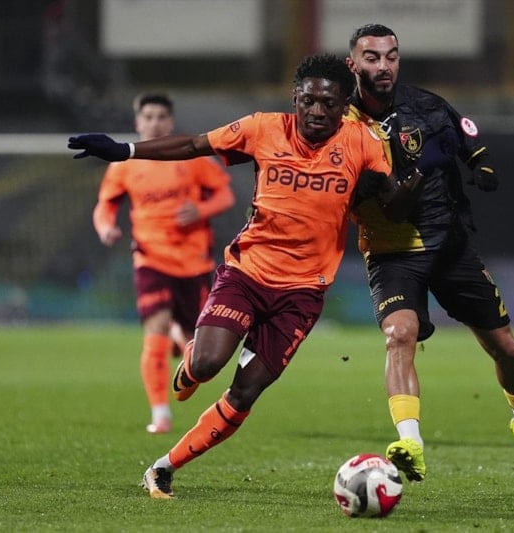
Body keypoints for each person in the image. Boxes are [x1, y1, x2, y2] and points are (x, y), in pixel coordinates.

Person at [69, 53, 455, 499]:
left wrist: (417, 179)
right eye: (308, 101)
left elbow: (393, 208)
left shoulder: (363, 143)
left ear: (344, 106)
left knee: (246, 392)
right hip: (247, 274)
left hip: (303, 294)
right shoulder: (263, 128)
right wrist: (126, 150)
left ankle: (164, 466)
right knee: (207, 364)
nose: (316, 111)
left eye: (329, 104)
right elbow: (194, 145)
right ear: (295, 98)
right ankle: (192, 362)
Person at [344, 23, 514, 486]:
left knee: (504, 347)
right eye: (372, 57)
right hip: (392, 253)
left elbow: (471, 146)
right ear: (353, 63)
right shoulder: (341, 125)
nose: (384, 66)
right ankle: (411, 444)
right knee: (399, 334)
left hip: (450, 245)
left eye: (391, 56)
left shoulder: (428, 106)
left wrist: (483, 167)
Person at [91, 93, 235, 434]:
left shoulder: (191, 158)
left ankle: (176, 336)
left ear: (170, 122)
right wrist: (105, 227)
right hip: (150, 257)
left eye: (161, 117)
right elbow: (105, 205)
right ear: (137, 122)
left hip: (194, 262)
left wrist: (200, 210)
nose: (154, 123)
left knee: (196, 350)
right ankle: (160, 415)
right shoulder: (123, 165)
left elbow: (225, 195)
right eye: (148, 116)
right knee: (154, 328)